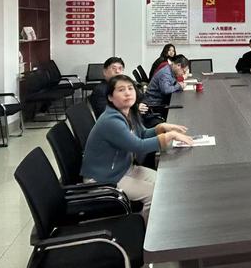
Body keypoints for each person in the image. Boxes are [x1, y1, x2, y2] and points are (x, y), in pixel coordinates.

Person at [81, 74, 193, 221]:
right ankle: (147, 231)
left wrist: (161, 128)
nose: (128, 93)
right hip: (103, 179)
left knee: (164, 182)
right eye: (121, 90)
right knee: (154, 194)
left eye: (130, 88)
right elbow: (138, 146)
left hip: (123, 169)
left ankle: (164, 222)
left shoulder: (129, 113)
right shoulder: (110, 120)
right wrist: (168, 137)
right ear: (110, 97)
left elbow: (142, 134)